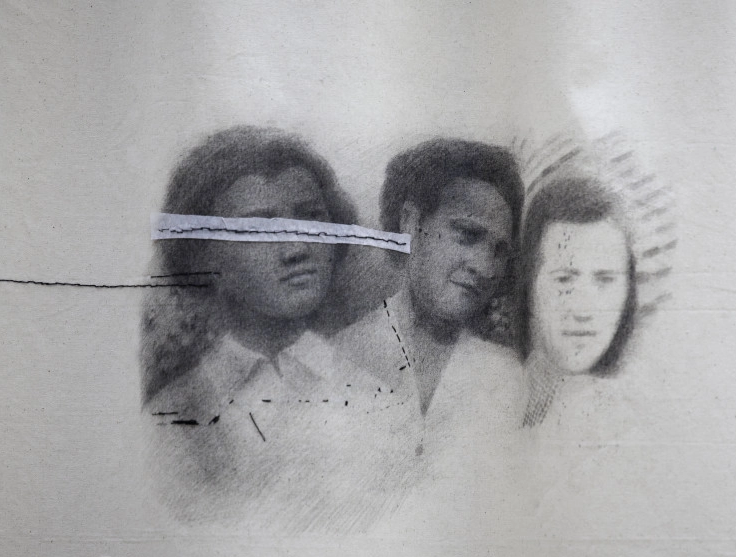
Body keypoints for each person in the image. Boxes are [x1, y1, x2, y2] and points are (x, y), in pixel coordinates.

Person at [143, 126, 417, 528]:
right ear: (203, 253)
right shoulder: (166, 420)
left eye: (312, 219)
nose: (297, 248)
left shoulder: (381, 403)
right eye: (259, 229)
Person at [333, 138, 525, 435]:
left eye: (499, 251)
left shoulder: (506, 376)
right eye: (468, 235)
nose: (486, 268)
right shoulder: (343, 355)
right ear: (411, 222)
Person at [516, 175, 637, 428]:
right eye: (564, 280)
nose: (583, 310)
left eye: (605, 280)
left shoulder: (631, 419)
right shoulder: (489, 394)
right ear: (529, 283)